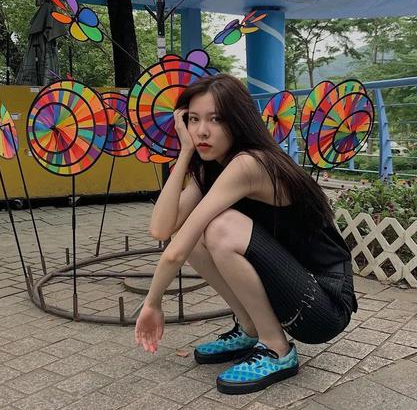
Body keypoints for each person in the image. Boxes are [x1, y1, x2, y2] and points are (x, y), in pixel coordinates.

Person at [134, 74, 358, 395]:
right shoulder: (212, 166)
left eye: (216, 119)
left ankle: (277, 349)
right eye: (193, 119)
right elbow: (162, 229)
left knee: (219, 227)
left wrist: (153, 303)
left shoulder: (249, 164)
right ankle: (250, 328)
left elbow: (175, 251)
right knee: (195, 232)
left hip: (323, 305)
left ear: (238, 121)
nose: (202, 130)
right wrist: (184, 154)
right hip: (292, 286)